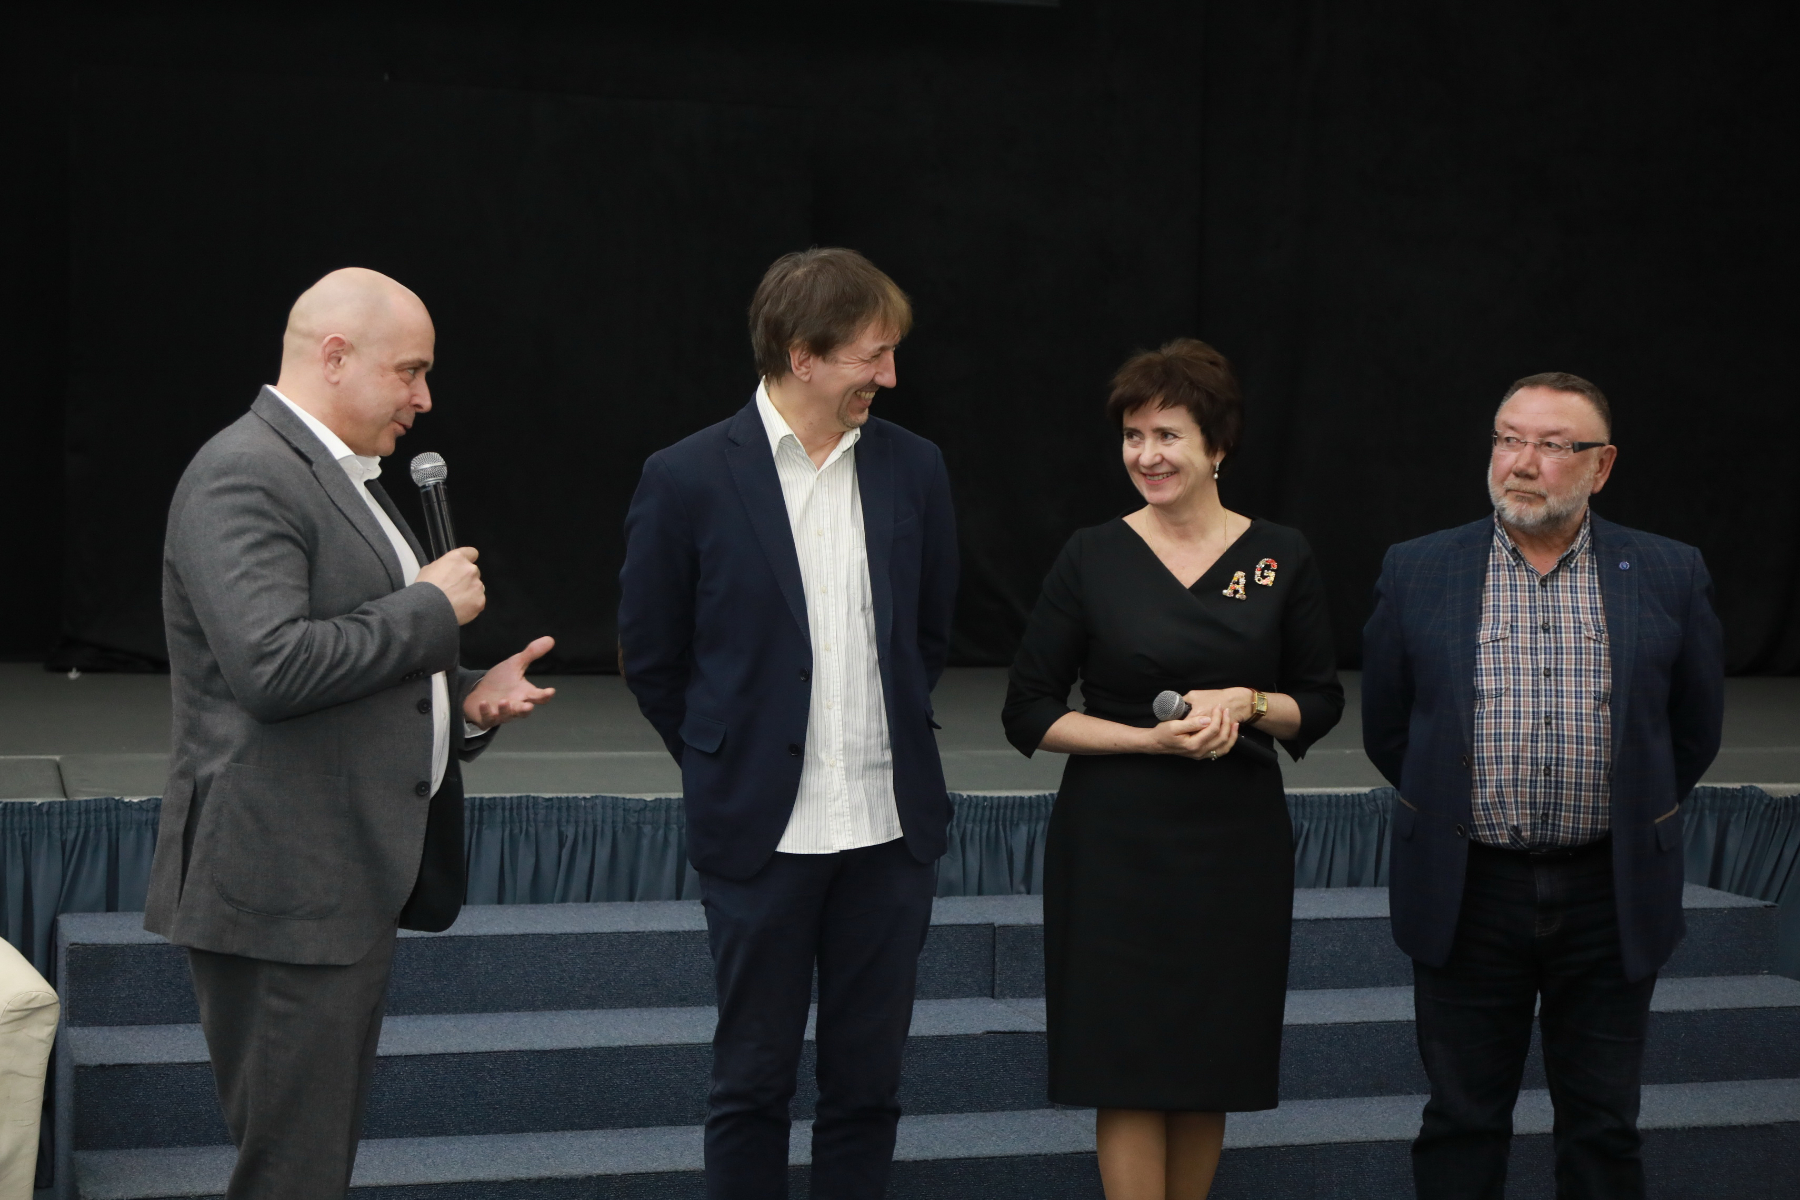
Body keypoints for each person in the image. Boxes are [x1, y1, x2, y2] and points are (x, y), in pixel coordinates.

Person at [143, 268, 557, 1199]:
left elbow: (356, 663)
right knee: (292, 1173)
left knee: (311, 1165)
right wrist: (428, 609)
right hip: (284, 891)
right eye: (410, 371)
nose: (425, 398)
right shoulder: (244, 472)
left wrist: (463, 699)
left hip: (336, 885)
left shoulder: (337, 475)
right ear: (335, 357)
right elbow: (273, 668)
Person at [618, 248, 958, 1199]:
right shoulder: (686, 476)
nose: (890, 376)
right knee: (751, 1085)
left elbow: (928, 634)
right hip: (761, 835)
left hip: (888, 835)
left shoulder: (915, 467)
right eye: (871, 356)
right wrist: (727, 758)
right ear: (802, 355)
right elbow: (652, 657)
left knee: (868, 1088)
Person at [1361, 372, 1724, 1198]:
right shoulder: (1418, 568)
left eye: (1552, 445)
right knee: (1460, 1121)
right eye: (1507, 439)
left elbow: (1691, 731)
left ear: (1602, 465)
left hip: (1610, 890)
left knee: (1604, 1127)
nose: (1521, 463)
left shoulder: (1669, 570)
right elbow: (1392, 729)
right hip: (1467, 887)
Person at [1003, 338, 1344, 1200]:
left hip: (1234, 847)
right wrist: (1146, 741)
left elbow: (1319, 702)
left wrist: (1249, 702)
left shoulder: (1281, 555)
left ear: (1218, 445)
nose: (1146, 455)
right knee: (1123, 1063)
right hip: (1114, 843)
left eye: (1167, 435)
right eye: (1133, 436)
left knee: (1209, 1059)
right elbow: (1029, 710)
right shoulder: (1091, 554)